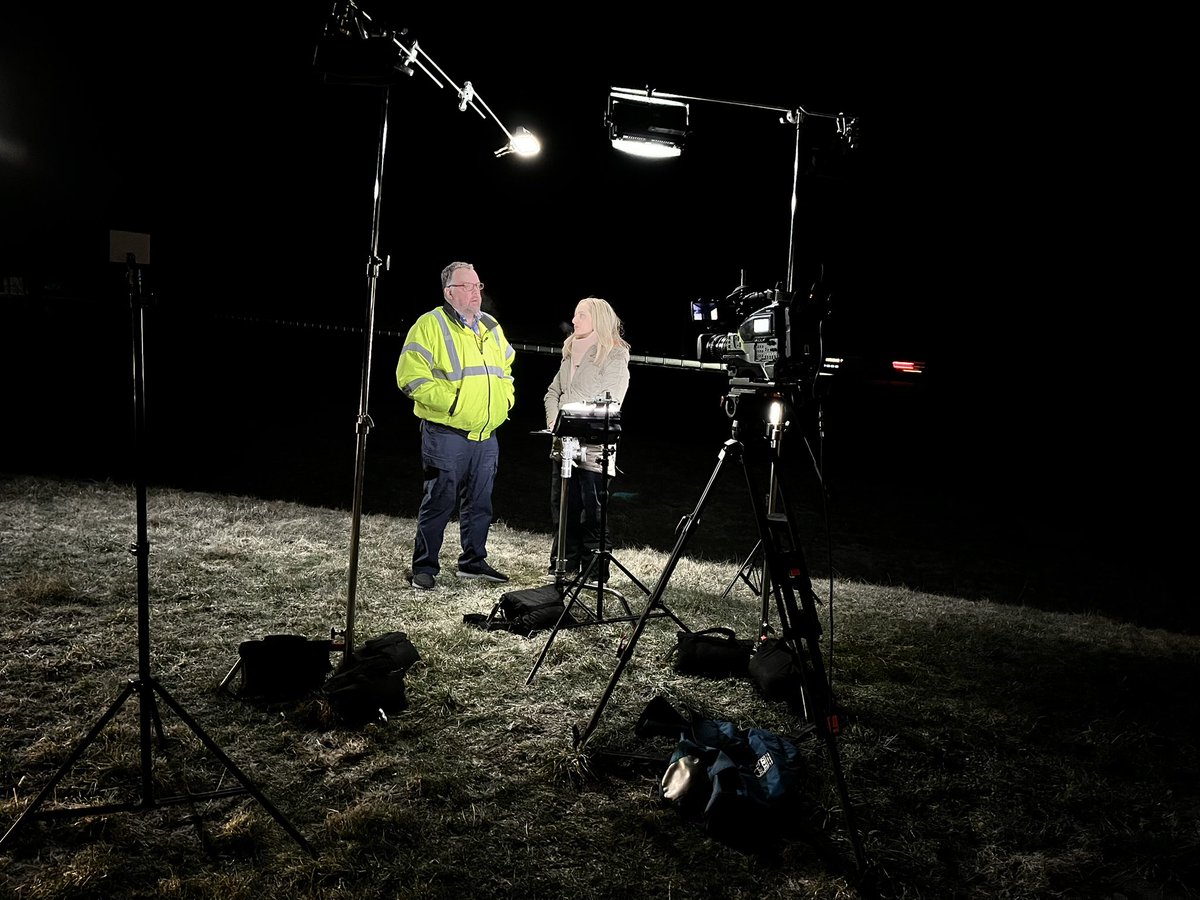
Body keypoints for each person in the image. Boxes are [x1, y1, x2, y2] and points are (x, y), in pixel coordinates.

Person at [396, 261, 515, 589]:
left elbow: (506, 367)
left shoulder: (490, 326)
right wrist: (455, 403)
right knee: (439, 501)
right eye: (468, 286)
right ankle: (425, 568)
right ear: (450, 292)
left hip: (486, 434)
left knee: (480, 504)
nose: (476, 292)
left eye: (478, 286)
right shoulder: (429, 325)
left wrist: (505, 401)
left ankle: (473, 563)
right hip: (446, 434)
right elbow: (410, 377)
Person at [542, 296, 631, 581]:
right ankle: (564, 564)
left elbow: (611, 401)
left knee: (591, 512)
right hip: (563, 446)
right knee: (564, 507)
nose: (575, 319)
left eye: (582, 315)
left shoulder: (614, 354)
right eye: (575, 314)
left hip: (594, 449)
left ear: (599, 320)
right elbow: (552, 393)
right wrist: (555, 421)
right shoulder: (569, 353)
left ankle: (593, 571)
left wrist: (572, 421)